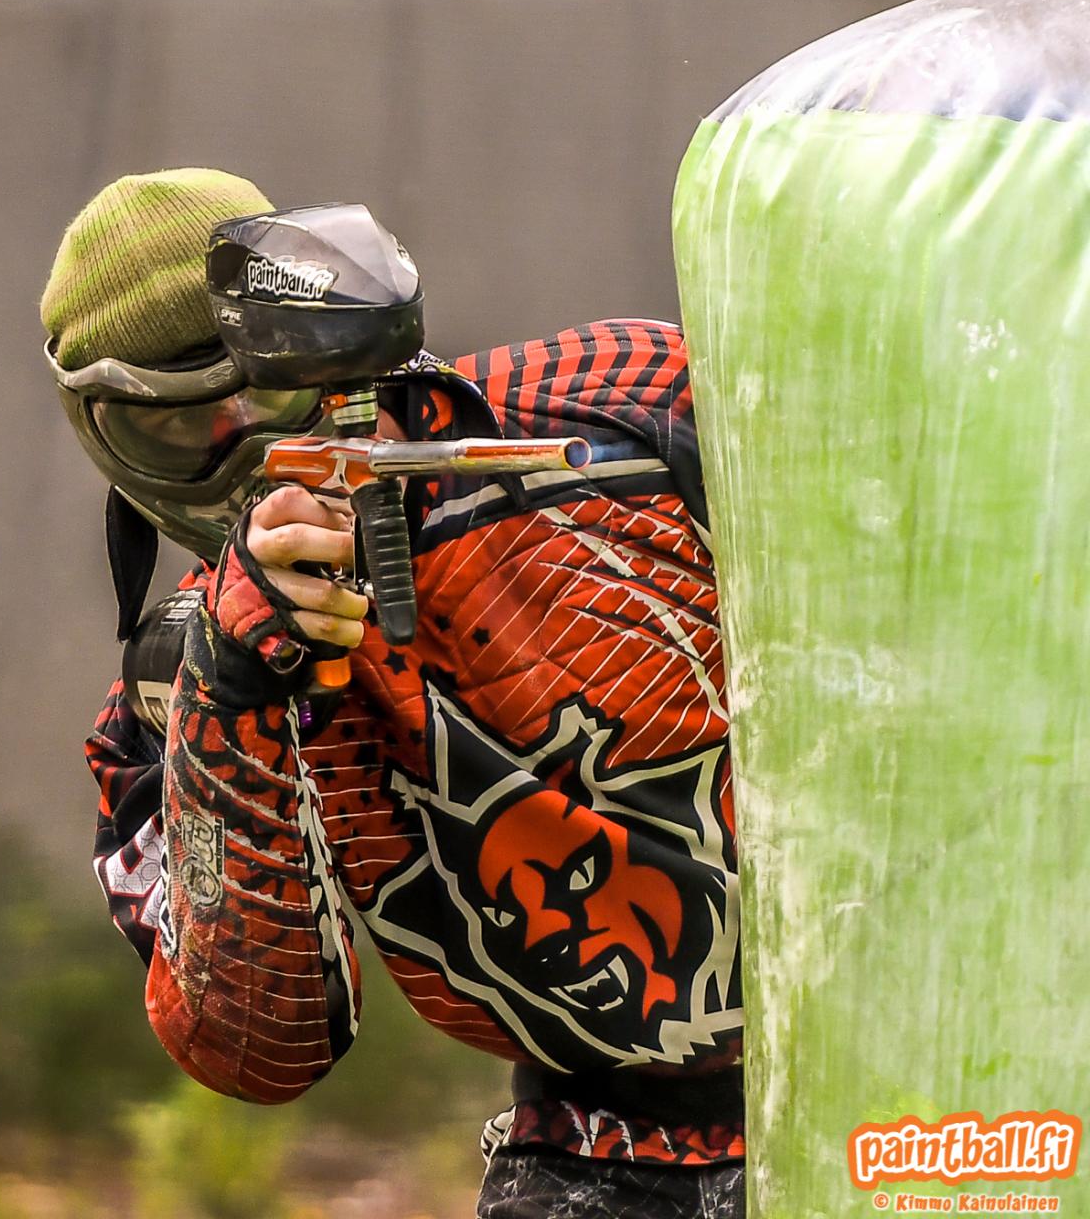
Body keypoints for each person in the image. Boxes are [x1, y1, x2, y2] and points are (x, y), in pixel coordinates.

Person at [41, 168, 746, 1218]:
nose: (250, 451)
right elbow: (258, 1048)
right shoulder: (172, 697)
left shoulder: (620, 405)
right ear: (111, 443)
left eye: (266, 394)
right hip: (597, 1144)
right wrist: (238, 703)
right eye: (183, 428)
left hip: (905, 1048)